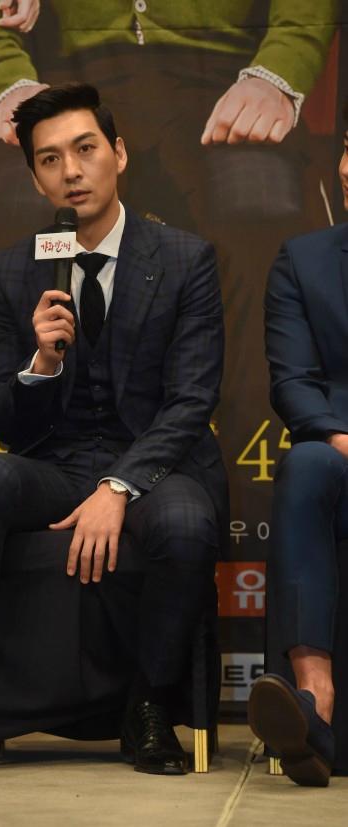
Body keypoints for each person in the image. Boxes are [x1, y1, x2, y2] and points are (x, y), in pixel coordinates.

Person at [0, 82, 228, 785]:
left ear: (119, 153)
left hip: (154, 468)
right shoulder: (14, 269)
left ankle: (148, 705)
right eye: (50, 159)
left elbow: (190, 401)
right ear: (34, 176)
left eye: (85, 149)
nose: (71, 171)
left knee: (188, 522)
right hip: (56, 463)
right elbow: (2, 419)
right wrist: (41, 364)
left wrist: (119, 485)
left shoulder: (184, 258)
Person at [247, 103, 348, 788]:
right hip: (338, 446)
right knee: (307, 463)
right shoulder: (304, 261)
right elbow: (293, 383)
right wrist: (340, 435)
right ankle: (315, 701)